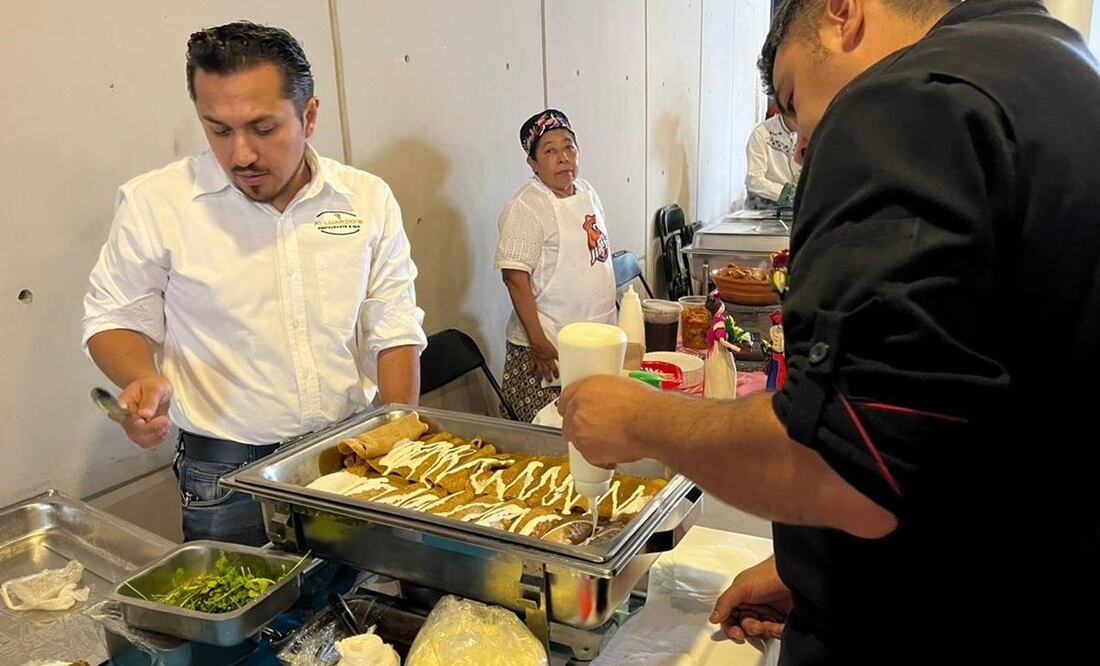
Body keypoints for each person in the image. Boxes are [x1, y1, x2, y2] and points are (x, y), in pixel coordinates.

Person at [559, 0, 1100, 662]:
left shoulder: (907, 103)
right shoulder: (1058, 63)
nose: (805, 141)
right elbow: (952, 422)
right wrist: (814, 573)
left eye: (793, 102)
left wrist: (641, 421)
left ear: (844, 11)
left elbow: (848, 470)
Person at [82, 22, 426, 546]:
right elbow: (114, 318)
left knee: (362, 614)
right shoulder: (158, 203)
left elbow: (393, 324)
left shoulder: (366, 200)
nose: (241, 154)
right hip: (225, 476)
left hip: (349, 453)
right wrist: (140, 376)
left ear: (309, 116)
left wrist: (399, 443)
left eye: (263, 128)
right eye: (218, 130)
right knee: (240, 620)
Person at [494, 109, 616, 422]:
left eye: (569, 147)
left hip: (592, 343)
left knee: (596, 429)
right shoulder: (526, 206)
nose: (563, 157)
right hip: (547, 353)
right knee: (550, 441)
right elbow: (514, 278)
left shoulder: (587, 192)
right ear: (532, 164)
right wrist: (539, 345)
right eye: (549, 151)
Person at [744, 104, 801, 209]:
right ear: (785, 113)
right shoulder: (762, 134)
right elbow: (754, 180)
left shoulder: (807, 133)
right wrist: (788, 193)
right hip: (765, 203)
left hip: (795, 205)